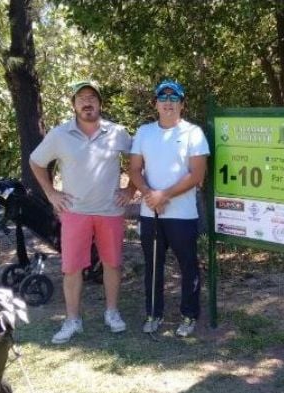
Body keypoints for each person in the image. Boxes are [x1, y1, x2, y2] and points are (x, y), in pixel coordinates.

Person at [30, 81, 133, 344]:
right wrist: (51, 193)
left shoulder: (118, 132)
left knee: (112, 264)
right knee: (72, 268)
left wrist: (131, 189)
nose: (87, 103)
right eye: (82, 98)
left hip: (110, 211)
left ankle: (112, 313)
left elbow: (137, 160)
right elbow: (36, 161)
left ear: (100, 103)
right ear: (74, 104)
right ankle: (73, 320)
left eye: (92, 98)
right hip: (74, 212)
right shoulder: (60, 134)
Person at [128, 79, 209, 338]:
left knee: (188, 266)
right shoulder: (144, 132)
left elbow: (197, 174)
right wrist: (150, 194)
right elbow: (133, 169)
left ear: (182, 104)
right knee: (153, 265)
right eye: (163, 98)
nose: (168, 103)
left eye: (174, 98)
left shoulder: (193, 133)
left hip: (182, 215)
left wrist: (165, 194)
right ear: (155, 104)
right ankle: (154, 314)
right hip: (150, 212)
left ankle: (188, 315)